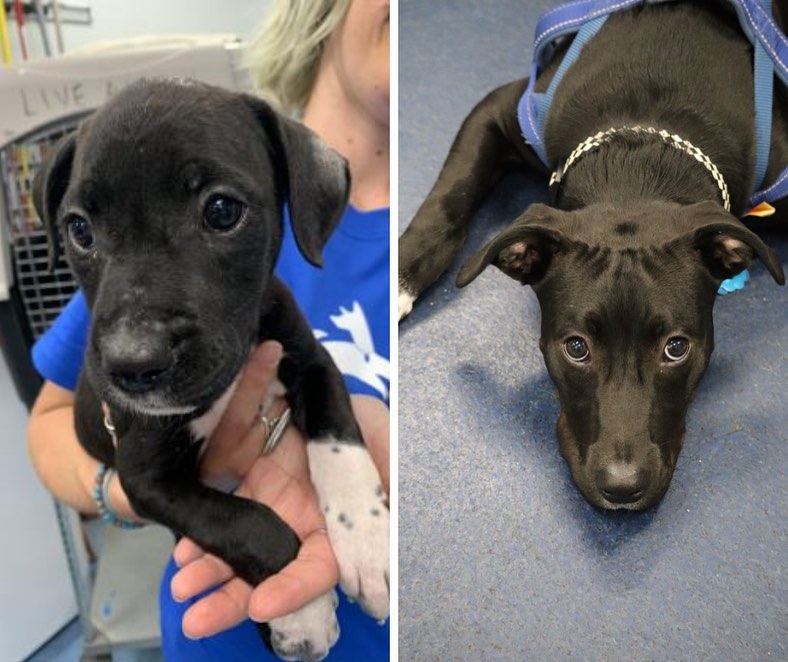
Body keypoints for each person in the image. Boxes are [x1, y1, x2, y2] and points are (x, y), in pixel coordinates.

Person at [26, 0, 390, 659]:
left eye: (220, 211)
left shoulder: (283, 275)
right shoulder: (126, 260)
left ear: (298, 203)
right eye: (84, 233)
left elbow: (314, 372)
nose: (133, 346)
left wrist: (355, 482)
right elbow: (85, 442)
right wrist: (122, 493)